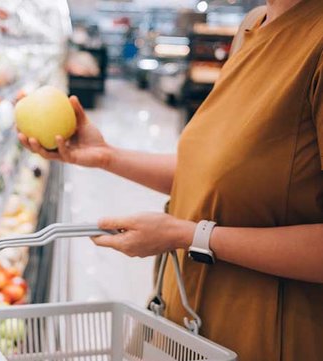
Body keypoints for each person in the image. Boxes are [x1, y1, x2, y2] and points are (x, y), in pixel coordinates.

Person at [19, 0, 323, 360]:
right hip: (188, 320)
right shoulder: (253, 25)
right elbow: (215, 177)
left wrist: (190, 235)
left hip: (260, 334)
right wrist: (107, 156)